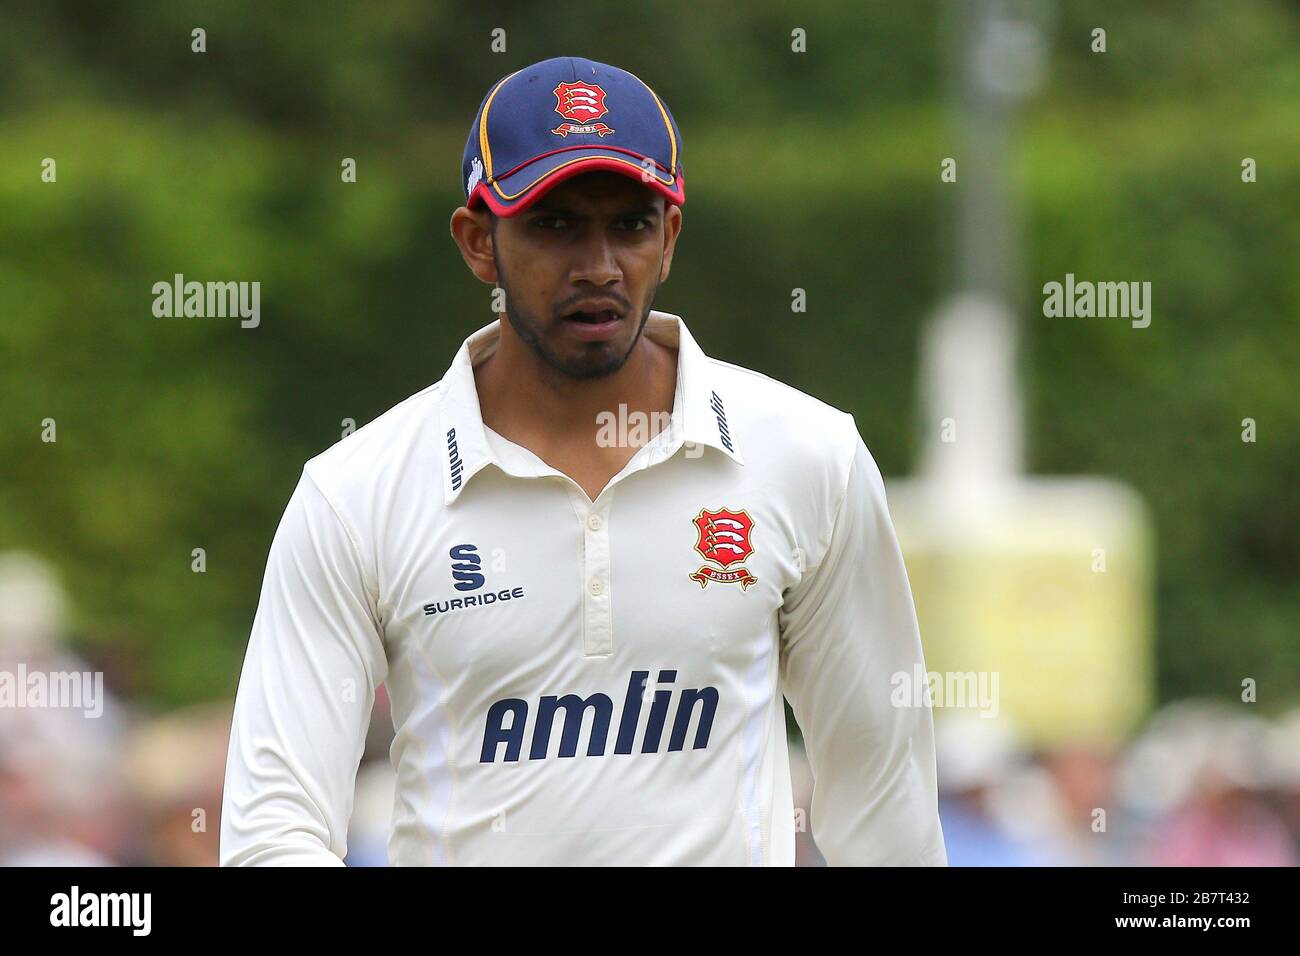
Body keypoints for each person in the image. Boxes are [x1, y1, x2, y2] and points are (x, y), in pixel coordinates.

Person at [220, 55, 946, 866]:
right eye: (555, 224)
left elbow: (887, 809)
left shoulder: (808, 456)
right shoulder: (356, 494)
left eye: (630, 224)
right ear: (476, 244)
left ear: (668, 239)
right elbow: (273, 831)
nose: (599, 265)